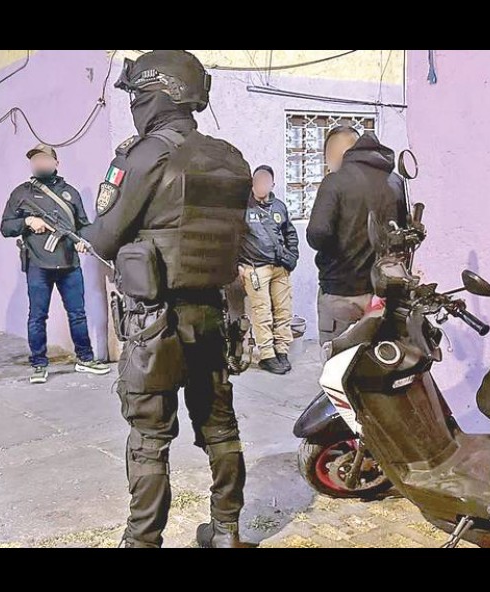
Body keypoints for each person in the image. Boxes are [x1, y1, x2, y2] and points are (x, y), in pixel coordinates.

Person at [80, 50, 253, 548]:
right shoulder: (231, 157)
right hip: (213, 315)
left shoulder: (146, 154)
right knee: (220, 428)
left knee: (150, 438)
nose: (134, 103)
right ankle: (226, 531)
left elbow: (105, 236)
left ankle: (142, 540)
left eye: (137, 94)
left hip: (155, 322)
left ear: (157, 94)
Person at [0, 143, 111, 384]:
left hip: (69, 264)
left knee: (77, 314)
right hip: (38, 265)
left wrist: (83, 241)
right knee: (37, 316)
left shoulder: (70, 193)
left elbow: (83, 225)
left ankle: (85, 358)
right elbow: (6, 227)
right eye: (35, 160)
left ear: (56, 163)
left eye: (44, 159)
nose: (39, 163)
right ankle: (39, 364)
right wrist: (28, 221)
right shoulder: (22, 194)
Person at [307, 127, 406, 344]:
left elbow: (317, 234)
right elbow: (403, 232)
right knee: (379, 356)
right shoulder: (395, 181)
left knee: (338, 360)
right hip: (384, 294)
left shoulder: (335, 181)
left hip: (341, 293)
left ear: (335, 153)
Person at [238, 164, 299, 375]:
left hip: (280, 267)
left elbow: (290, 233)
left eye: (266, 181)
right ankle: (266, 354)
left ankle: (281, 350)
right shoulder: (243, 208)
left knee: (283, 311)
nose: (261, 185)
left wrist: (292, 256)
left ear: (272, 184)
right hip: (255, 268)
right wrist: (238, 265)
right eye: (258, 180)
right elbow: (232, 237)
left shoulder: (279, 207)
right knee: (261, 312)